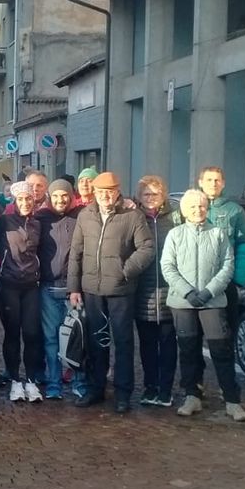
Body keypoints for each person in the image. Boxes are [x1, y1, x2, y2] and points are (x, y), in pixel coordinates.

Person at [67, 171, 154, 413]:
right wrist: (73, 287)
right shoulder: (86, 215)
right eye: (101, 192)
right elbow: (76, 252)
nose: (105, 196)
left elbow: (147, 248)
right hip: (92, 289)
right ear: (94, 193)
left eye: (110, 191)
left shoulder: (132, 215)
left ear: (117, 192)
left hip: (121, 289)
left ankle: (123, 393)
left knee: (123, 342)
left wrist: (126, 271)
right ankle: (96, 388)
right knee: (96, 341)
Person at [161, 189, 245, 421]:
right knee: (188, 349)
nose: (197, 210)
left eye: (201, 206)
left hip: (213, 300)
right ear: (184, 210)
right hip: (183, 302)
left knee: (221, 349)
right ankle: (192, 396)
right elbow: (167, 266)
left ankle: (232, 400)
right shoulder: (175, 234)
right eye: (192, 206)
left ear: (206, 208)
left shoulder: (218, 234)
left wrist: (209, 291)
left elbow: (227, 265)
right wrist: (188, 292)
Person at [36, 179, 86, 401]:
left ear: (71, 196)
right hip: (49, 287)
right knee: (50, 338)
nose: (60, 200)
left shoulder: (81, 216)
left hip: (75, 288)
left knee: (77, 338)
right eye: (55, 195)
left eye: (64, 195)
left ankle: (79, 382)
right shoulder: (41, 218)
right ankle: (54, 383)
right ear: (50, 197)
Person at [134, 175, 179, 407]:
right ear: (139, 196)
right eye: (146, 194)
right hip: (143, 292)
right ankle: (150, 387)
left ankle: (166, 389)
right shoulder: (134, 217)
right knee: (147, 345)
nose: (151, 198)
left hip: (170, 291)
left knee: (169, 344)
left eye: (155, 193)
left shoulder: (175, 217)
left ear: (163, 195)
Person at [0, 182, 42, 403]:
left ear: (34, 200)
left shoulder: (38, 223)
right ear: (14, 201)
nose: (25, 203)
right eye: (21, 199)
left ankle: (31, 380)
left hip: (31, 285)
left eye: (29, 199)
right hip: (9, 284)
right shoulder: (4, 221)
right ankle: (15, 380)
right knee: (12, 333)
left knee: (32, 333)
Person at [198, 166, 245, 333]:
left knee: (225, 334)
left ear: (223, 183)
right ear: (200, 182)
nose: (213, 183)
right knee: (193, 337)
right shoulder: (190, 206)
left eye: (217, 180)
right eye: (209, 180)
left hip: (225, 282)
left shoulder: (235, 210)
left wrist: (238, 279)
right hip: (195, 282)